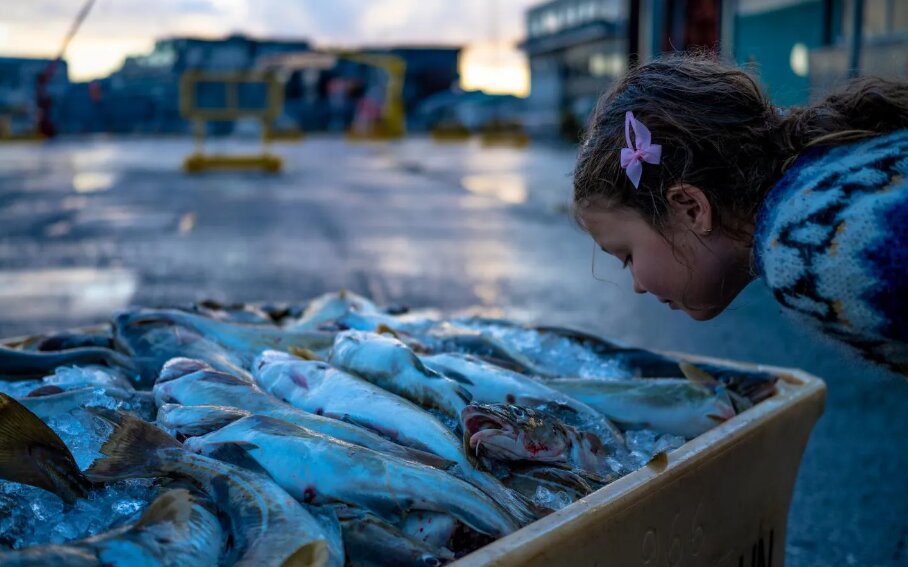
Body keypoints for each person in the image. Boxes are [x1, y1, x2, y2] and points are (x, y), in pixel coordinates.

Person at [572, 53, 908, 374]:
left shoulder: (811, 249)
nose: (637, 285)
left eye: (628, 256)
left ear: (691, 209)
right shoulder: (824, 174)